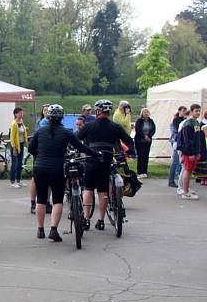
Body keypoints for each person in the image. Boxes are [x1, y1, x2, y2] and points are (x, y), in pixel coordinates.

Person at [28, 104, 97, 241]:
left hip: (40, 167)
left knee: (41, 200)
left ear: (48, 117)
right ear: (61, 118)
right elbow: (81, 147)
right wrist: (95, 153)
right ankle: (53, 230)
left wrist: (40, 155)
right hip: (57, 168)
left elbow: (30, 148)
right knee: (57, 200)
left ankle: (40, 229)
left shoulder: (40, 132)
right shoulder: (66, 132)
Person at [77, 99, 135, 230]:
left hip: (91, 161)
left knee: (88, 189)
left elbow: (77, 139)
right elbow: (129, 141)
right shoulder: (115, 127)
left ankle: (86, 218)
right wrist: (130, 151)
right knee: (103, 191)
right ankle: (101, 220)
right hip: (106, 161)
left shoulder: (89, 125)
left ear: (97, 111)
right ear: (109, 112)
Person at [176, 103, 202, 200]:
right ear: (191, 111)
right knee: (187, 170)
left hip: (194, 151)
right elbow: (187, 140)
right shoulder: (187, 124)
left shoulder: (196, 123)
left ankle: (186, 189)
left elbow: (197, 138)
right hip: (188, 152)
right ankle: (185, 192)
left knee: (190, 170)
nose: (198, 113)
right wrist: (190, 153)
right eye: (196, 111)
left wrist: (198, 152)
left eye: (199, 111)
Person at [9, 107, 29, 187]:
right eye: (20, 113)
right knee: (15, 164)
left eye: (22, 113)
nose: (21, 114)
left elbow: (22, 131)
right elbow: (12, 137)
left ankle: (18, 180)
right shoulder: (14, 124)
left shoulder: (21, 122)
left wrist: (25, 129)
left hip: (21, 144)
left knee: (20, 163)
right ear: (15, 114)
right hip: (15, 146)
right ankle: (13, 182)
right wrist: (14, 148)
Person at [168, 106, 187, 187]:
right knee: (175, 162)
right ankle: (171, 180)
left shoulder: (184, 120)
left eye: (185, 111)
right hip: (177, 142)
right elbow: (177, 131)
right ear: (179, 111)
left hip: (180, 142)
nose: (184, 113)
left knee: (180, 162)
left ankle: (180, 178)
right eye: (183, 111)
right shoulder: (176, 120)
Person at [134, 108, 156, 178]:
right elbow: (138, 129)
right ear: (142, 113)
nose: (146, 113)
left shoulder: (151, 121)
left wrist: (149, 136)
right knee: (141, 156)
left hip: (148, 141)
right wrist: (144, 136)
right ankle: (140, 172)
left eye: (147, 112)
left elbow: (153, 129)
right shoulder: (139, 121)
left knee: (146, 156)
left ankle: (145, 171)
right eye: (144, 112)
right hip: (140, 140)